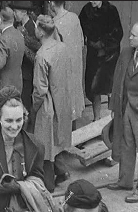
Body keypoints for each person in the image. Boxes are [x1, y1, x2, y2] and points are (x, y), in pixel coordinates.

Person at [107, 20, 138, 204]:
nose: (129, 37)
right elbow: (118, 79)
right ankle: (125, 180)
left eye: (134, 36)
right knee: (127, 145)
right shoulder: (126, 53)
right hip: (127, 106)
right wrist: (116, 106)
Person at [32, 15, 72, 193]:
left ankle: (48, 184)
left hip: (47, 104)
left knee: (45, 147)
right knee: (58, 141)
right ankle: (62, 171)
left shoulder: (41, 55)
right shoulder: (62, 48)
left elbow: (40, 89)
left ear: (40, 31)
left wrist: (34, 107)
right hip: (62, 100)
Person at [79, 1, 123, 122]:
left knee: (110, 88)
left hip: (110, 55)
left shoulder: (111, 10)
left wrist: (103, 44)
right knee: (94, 87)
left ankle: (111, 119)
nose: (92, 1)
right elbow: (80, 29)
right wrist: (84, 42)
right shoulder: (86, 10)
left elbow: (118, 33)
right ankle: (96, 119)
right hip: (94, 54)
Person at [50, 1, 85, 129]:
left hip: (63, 66)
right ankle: (74, 134)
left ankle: (65, 138)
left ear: (52, 3)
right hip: (75, 65)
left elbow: (52, 49)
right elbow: (81, 42)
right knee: (73, 98)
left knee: (63, 97)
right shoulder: (74, 18)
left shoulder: (54, 23)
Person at [10, 1, 38, 114]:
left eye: (16, 11)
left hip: (27, 73)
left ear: (24, 12)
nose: (14, 14)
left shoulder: (32, 28)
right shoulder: (18, 25)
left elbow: (35, 54)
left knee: (25, 104)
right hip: (21, 72)